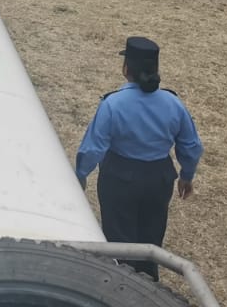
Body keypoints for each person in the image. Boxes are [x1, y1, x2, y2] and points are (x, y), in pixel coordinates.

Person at [75, 37, 203, 281]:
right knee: (151, 241)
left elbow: (93, 147)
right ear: (156, 69)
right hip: (159, 177)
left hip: (119, 178)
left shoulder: (113, 104)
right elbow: (191, 144)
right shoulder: (173, 103)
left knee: (119, 243)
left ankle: (121, 289)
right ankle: (148, 287)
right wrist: (187, 175)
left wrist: (80, 175)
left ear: (126, 70)